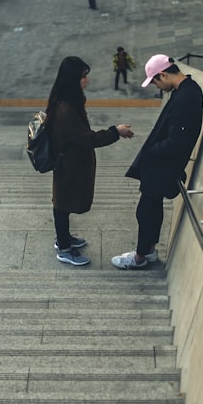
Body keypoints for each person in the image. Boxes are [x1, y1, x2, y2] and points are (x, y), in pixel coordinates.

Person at [111, 55, 203, 270]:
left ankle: (139, 257)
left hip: (164, 164)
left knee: (145, 211)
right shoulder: (188, 89)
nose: (157, 86)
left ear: (163, 74)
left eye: (155, 81)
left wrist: (152, 152)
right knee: (151, 208)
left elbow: (177, 140)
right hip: (165, 164)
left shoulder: (185, 97)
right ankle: (149, 250)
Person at [47, 56, 134, 266]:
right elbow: (87, 139)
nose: (87, 80)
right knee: (62, 203)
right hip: (68, 163)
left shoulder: (68, 101)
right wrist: (115, 131)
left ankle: (64, 238)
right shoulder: (65, 110)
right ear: (73, 79)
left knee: (64, 201)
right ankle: (64, 248)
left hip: (70, 161)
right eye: (83, 77)